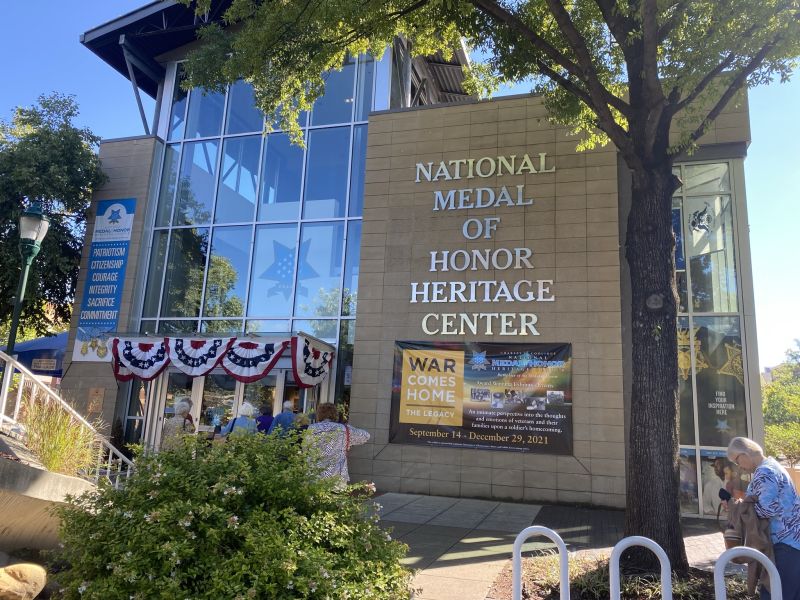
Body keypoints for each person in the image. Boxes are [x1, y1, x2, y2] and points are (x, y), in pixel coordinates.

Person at [727, 436, 800, 600]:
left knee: (774, 593)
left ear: (745, 453)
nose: (739, 467)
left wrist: (739, 508)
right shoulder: (773, 466)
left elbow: (766, 509)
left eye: (737, 461)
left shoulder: (765, 472)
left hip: (784, 543)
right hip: (792, 542)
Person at [306, 402, 369, 488]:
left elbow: (306, 449)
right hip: (337, 477)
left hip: (315, 475)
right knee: (336, 499)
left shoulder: (312, 428)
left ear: (319, 414)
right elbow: (365, 436)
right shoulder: (344, 429)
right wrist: (348, 435)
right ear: (335, 414)